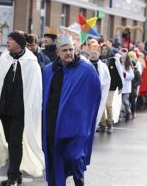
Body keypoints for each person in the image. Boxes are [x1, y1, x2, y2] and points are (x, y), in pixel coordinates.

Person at [0, 30, 44, 186]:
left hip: (20, 110)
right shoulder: (4, 58)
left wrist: (31, 109)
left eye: (10, 39)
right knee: (11, 141)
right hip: (4, 108)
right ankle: (16, 174)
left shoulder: (31, 62)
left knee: (16, 141)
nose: (7, 42)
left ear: (18, 43)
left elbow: (35, 89)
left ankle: (12, 176)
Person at [42, 34, 101, 186]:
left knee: (74, 157)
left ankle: (78, 180)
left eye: (70, 49)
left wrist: (85, 115)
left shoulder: (86, 70)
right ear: (58, 53)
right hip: (52, 123)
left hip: (76, 126)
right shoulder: (48, 71)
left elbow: (95, 95)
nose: (68, 53)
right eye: (64, 50)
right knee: (54, 159)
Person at [97, 48, 123, 133]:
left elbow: (117, 73)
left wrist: (120, 86)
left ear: (108, 51)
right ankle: (102, 124)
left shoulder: (113, 60)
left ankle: (110, 123)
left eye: (105, 49)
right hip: (102, 87)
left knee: (108, 105)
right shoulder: (99, 60)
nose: (104, 51)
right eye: (102, 49)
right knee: (100, 105)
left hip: (111, 87)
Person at [89, 42, 110, 127]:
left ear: (99, 54)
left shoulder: (103, 66)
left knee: (96, 111)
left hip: (98, 92)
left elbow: (107, 80)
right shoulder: (85, 64)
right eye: (92, 53)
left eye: (95, 53)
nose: (93, 55)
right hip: (87, 93)